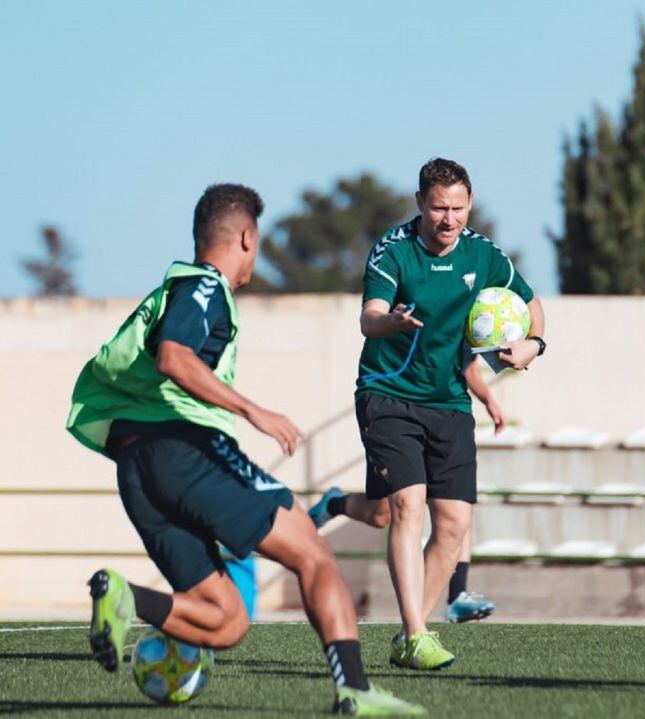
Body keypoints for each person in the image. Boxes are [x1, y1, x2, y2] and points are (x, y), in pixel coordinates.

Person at [66, 183, 424, 716]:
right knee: (313, 553)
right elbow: (173, 356)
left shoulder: (171, 288)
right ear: (247, 237)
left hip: (136, 468)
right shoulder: (205, 287)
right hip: (183, 448)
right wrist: (253, 410)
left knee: (227, 621)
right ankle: (354, 690)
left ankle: (127, 598)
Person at [347, 158, 544, 671]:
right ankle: (416, 634)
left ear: (469, 205)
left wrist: (534, 344)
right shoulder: (394, 251)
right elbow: (368, 318)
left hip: (448, 401)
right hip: (388, 395)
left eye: (458, 208)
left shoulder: (484, 254)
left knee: (454, 524)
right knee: (409, 507)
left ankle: (414, 633)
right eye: (438, 207)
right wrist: (390, 320)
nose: (448, 218)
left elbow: (531, 303)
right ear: (420, 204)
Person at [309, 358, 500, 624]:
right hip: (397, 408)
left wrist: (489, 397)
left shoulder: (467, 318)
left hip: (445, 412)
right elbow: (373, 323)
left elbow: (466, 363)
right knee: (382, 515)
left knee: (455, 507)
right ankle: (335, 504)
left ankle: (455, 596)